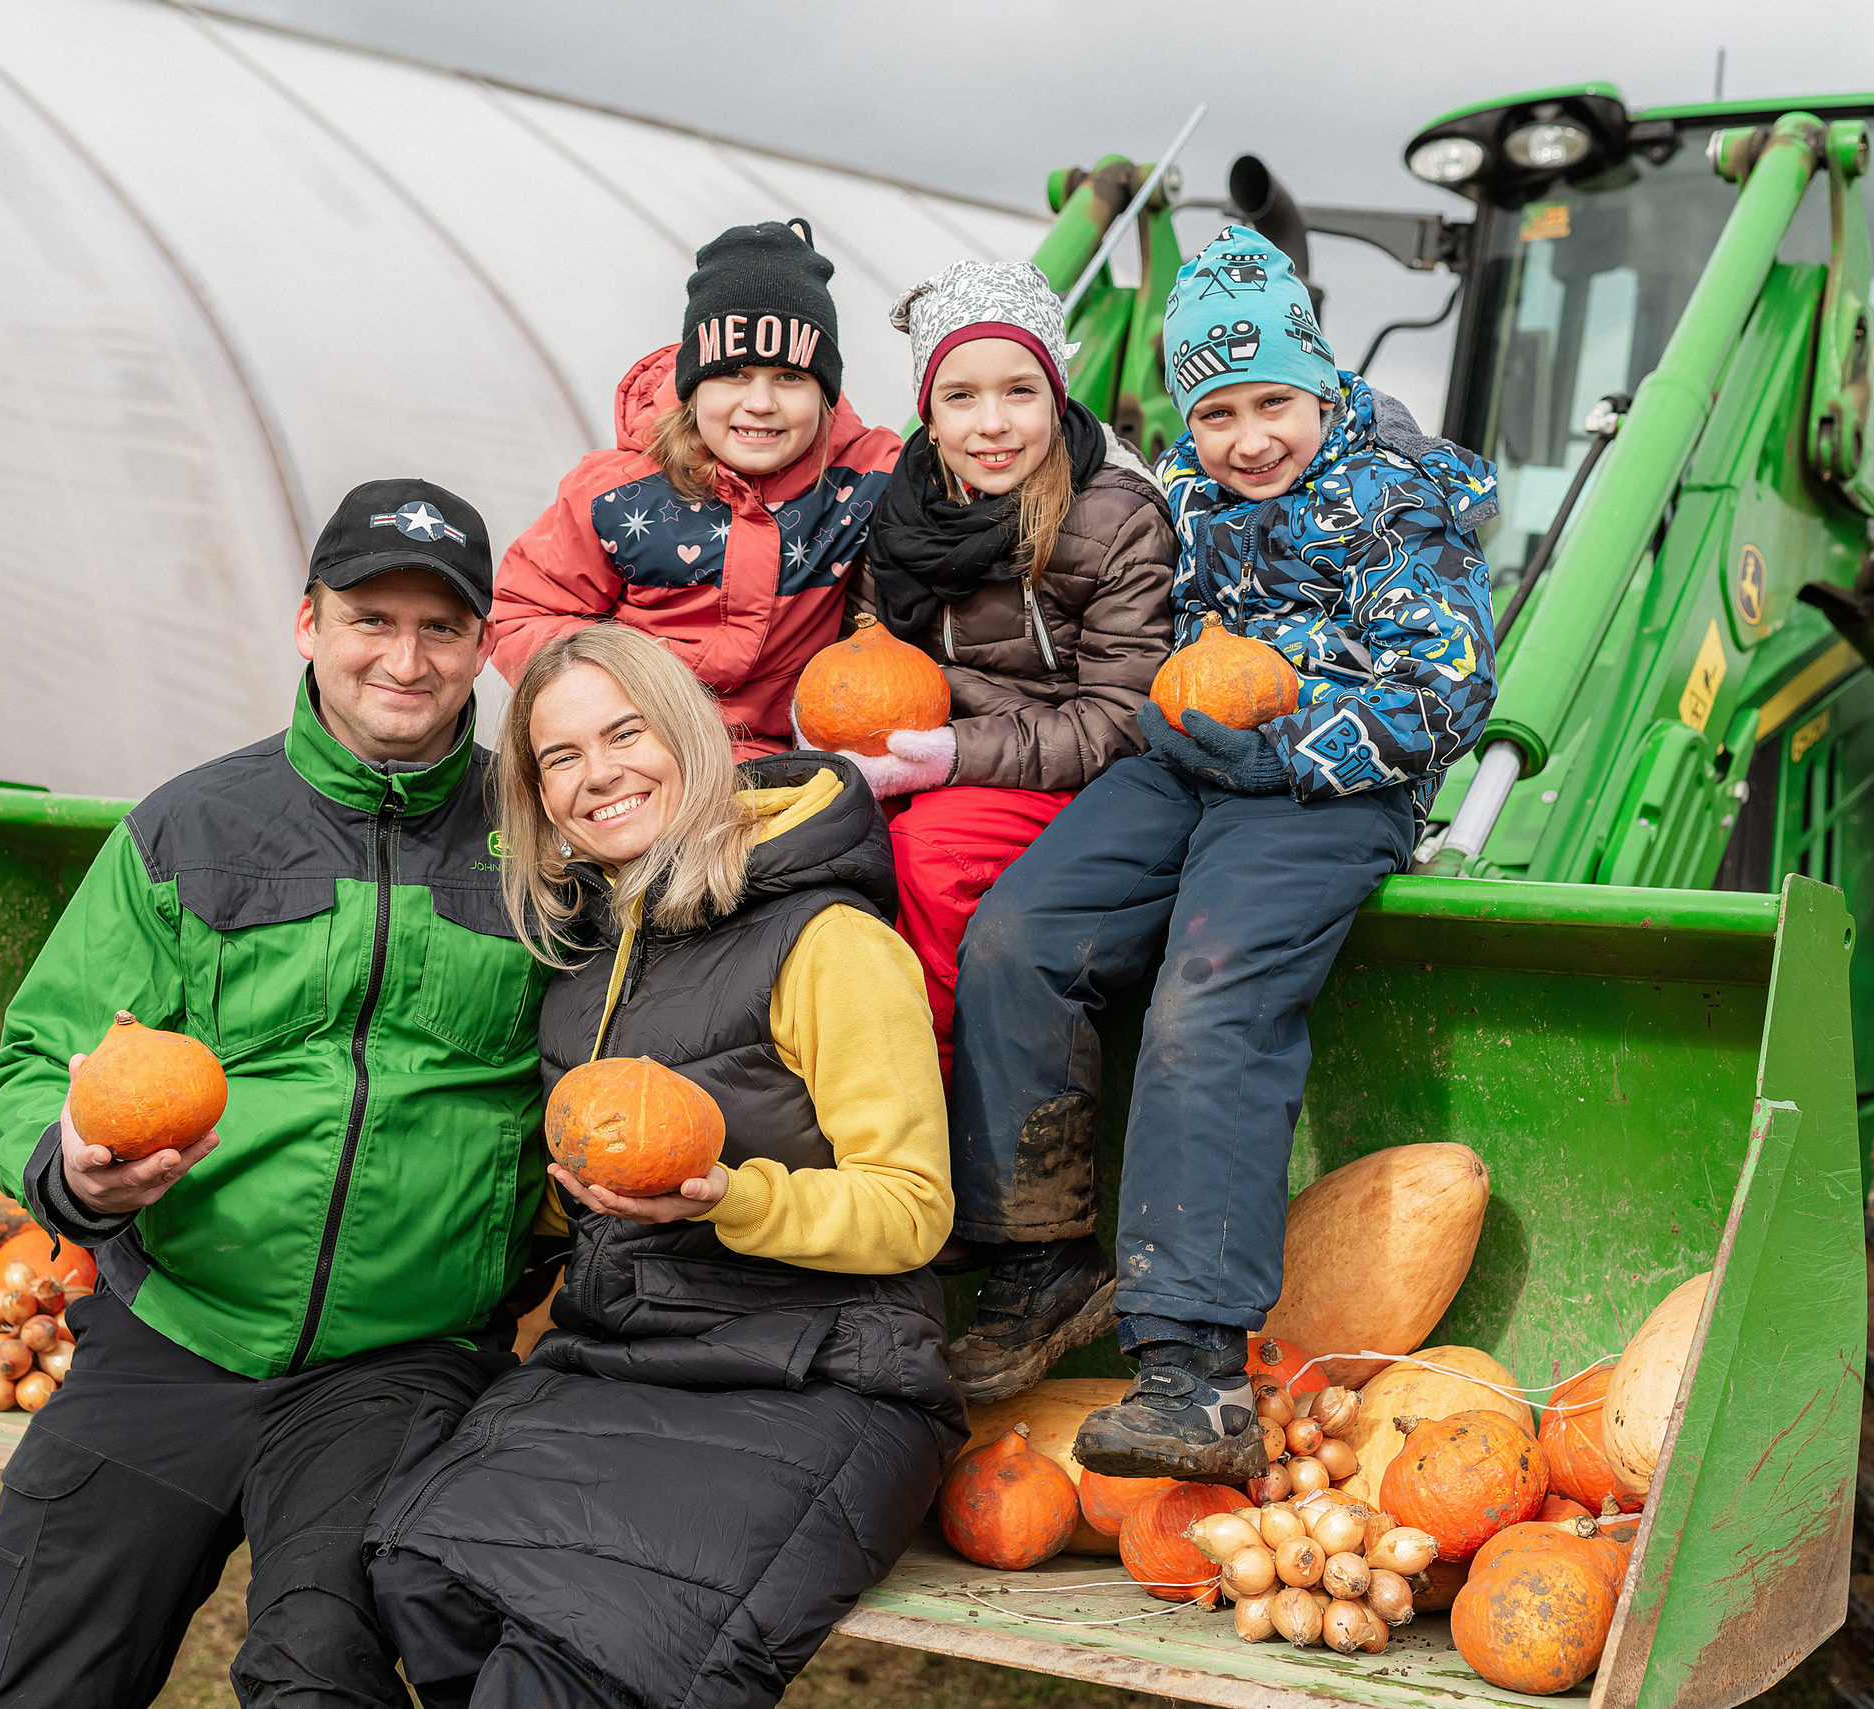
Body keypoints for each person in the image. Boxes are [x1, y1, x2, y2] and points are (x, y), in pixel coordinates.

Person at [0, 479, 553, 1707]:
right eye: (370, 620)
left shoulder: (540, 836)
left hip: (399, 1358)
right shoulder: (190, 827)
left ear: (483, 645)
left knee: (314, 1670)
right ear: (308, 625)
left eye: (441, 627)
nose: (404, 657)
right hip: (175, 1326)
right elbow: (38, 1056)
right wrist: (71, 1168)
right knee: (42, 1679)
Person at [944, 227, 1500, 1482]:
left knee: (1208, 993)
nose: (1249, 438)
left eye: (1272, 405)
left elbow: (1447, 687)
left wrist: (1286, 741)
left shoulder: (1393, 493)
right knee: (1022, 935)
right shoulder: (1182, 499)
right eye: (1216, 413)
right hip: (1184, 757)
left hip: (1329, 783)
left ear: (1320, 383)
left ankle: (1191, 1370)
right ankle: (1039, 1257)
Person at [366, 623, 964, 1709]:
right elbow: (579, 1186)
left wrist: (735, 1195)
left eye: (624, 733)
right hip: (625, 1360)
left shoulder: (826, 939)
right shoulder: (583, 961)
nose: (598, 774)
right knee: (421, 1572)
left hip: (820, 1376)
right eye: (559, 757)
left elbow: (911, 1207)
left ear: (687, 733)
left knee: (586, 1655)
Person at [811, 261, 1174, 1077]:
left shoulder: (1115, 517)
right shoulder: (900, 514)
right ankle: (826, 1082)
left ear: (1056, 396)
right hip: (938, 760)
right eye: (962, 396)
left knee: (931, 855)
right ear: (929, 415)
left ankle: (932, 1086)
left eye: (1020, 391)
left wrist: (949, 754)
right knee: (816, 854)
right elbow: (862, 649)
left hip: (1077, 781)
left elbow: (1123, 718)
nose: (993, 423)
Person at [491, 219, 901, 759]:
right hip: (643, 746)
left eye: (789, 377)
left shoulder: (865, 478)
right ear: (692, 384)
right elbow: (522, 614)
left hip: (787, 757)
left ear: (825, 391)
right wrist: (628, 683)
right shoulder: (615, 493)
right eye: (733, 374)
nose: (760, 402)